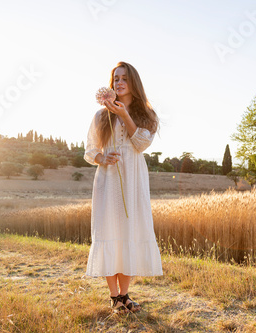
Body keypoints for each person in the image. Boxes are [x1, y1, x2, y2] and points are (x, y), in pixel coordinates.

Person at [84, 62, 163, 313]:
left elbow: (141, 144)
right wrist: (101, 158)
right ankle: (114, 297)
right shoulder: (100, 116)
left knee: (130, 231)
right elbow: (90, 150)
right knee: (109, 231)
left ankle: (125, 295)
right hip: (107, 180)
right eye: (115, 79)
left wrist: (124, 115)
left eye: (124, 79)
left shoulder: (146, 115)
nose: (118, 83)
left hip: (133, 179)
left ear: (133, 83)